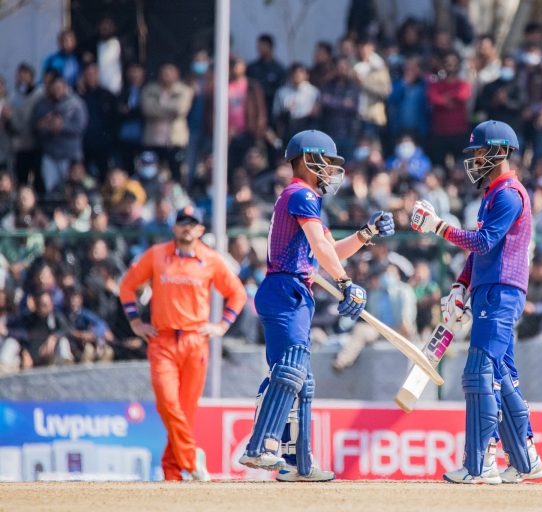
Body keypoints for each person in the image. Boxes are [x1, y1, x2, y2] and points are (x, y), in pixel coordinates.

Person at [238, 129, 394, 482]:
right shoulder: (301, 194)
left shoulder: (304, 200)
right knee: (290, 369)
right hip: (285, 290)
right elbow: (323, 252)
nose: (331, 171)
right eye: (327, 162)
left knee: (302, 381)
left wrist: (366, 233)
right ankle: (261, 444)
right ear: (309, 160)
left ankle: (299, 464)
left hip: (294, 291)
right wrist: (345, 283)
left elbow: (329, 250)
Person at [410, 120, 542, 484]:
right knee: (502, 374)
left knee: (479, 371)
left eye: (481, 152)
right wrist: (461, 285)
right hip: (491, 288)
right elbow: (480, 253)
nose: (475, 159)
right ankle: (526, 458)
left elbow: (483, 243)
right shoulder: (493, 193)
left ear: (500, 152)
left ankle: (480, 462)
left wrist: (438, 226)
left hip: (501, 290)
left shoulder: (509, 194)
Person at [119, 206, 247, 481]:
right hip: (162, 340)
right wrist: (135, 322)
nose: (187, 227)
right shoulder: (156, 255)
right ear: (174, 227)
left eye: (192, 223)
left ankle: (172, 471)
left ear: (201, 229)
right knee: (168, 405)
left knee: (185, 414)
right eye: (182, 222)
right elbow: (127, 285)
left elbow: (237, 294)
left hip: (195, 341)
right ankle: (191, 459)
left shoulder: (210, 259)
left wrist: (222, 325)